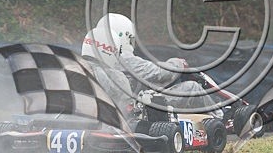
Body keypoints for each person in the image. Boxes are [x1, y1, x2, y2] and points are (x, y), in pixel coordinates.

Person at [81, 13, 216, 115]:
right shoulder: (122, 57)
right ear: (123, 36)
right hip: (136, 110)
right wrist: (178, 64)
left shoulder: (83, 64)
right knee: (191, 87)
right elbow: (158, 73)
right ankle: (218, 118)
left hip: (113, 108)